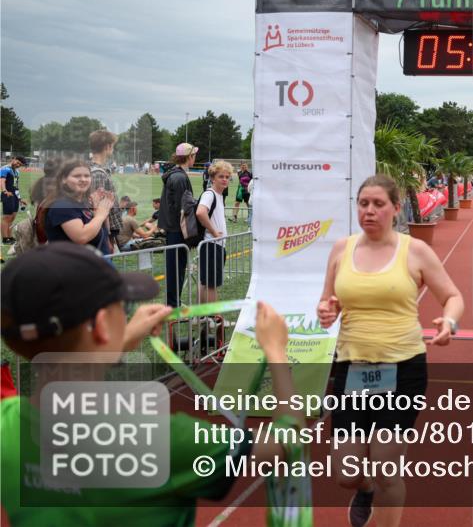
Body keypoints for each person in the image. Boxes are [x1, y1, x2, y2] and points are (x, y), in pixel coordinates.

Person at [0, 242, 300, 527]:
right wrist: (275, 351)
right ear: (103, 325)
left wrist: (122, 337)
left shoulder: (7, 424)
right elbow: (285, 443)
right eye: (122, 306)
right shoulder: (161, 440)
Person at [316, 174, 464, 527]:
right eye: (363, 204)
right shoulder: (342, 249)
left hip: (402, 369)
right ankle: (363, 490)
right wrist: (326, 311)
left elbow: (453, 296)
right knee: (345, 473)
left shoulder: (414, 251)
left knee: (386, 466)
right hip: (352, 367)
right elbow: (327, 302)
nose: (369, 211)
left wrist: (449, 322)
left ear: (396, 209)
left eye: (378, 204)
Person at [41, 159, 115, 254]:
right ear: (63, 179)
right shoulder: (61, 205)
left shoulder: (81, 202)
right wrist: (100, 215)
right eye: (77, 176)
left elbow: (98, 229)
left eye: (87, 176)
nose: (83, 179)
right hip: (73, 266)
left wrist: (99, 209)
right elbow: (81, 237)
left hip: (95, 263)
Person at [159, 143, 198, 307]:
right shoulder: (179, 177)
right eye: (193, 155)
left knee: (177, 267)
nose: (195, 158)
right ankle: (173, 304)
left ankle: (174, 302)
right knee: (176, 268)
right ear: (189, 157)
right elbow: (184, 208)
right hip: (177, 230)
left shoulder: (175, 175)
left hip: (173, 228)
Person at [197, 160, 231, 303]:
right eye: (221, 176)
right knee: (211, 285)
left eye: (227, 177)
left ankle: (204, 317)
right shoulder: (209, 194)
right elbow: (200, 213)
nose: (224, 180)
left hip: (214, 244)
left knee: (206, 283)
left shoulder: (218, 195)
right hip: (211, 244)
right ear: (212, 178)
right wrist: (215, 233)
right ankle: (214, 319)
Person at [88, 130, 123, 252]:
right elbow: (98, 208)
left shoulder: (96, 169)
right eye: (112, 145)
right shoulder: (97, 173)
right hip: (100, 234)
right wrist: (107, 237)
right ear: (107, 146)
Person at [1, 155, 26, 244]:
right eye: (18, 162)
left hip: (15, 196)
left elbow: (16, 186)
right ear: (14, 159)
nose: (18, 165)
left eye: (20, 164)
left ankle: (10, 237)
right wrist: (5, 191)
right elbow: (2, 181)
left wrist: (20, 199)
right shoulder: (5, 169)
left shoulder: (17, 172)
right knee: (6, 217)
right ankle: (5, 238)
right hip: (7, 195)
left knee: (12, 217)